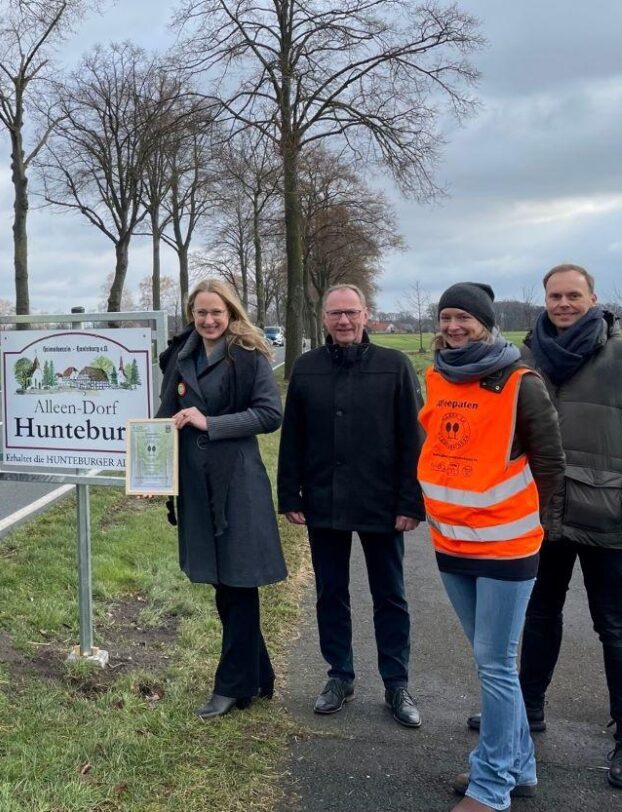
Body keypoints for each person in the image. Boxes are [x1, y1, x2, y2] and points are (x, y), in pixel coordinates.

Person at [470, 264, 622, 789]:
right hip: (538, 515)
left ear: (593, 298)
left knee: (614, 625)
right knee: (538, 616)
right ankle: (525, 713)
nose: (564, 304)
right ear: (544, 300)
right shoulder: (523, 358)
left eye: (574, 295)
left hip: (607, 516)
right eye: (556, 295)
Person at [419, 282, 564, 812]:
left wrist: (542, 532)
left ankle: (492, 785)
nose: (454, 326)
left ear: (486, 323)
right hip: (452, 542)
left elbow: (551, 465)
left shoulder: (521, 382)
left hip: (507, 547)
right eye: (447, 316)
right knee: (489, 663)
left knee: (496, 663)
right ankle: (518, 766)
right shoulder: (437, 375)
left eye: (465, 318)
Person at [277, 284, 426, 728]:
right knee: (330, 593)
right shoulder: (306, 369)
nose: (344, 321)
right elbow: (293, 440)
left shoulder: (395, 366)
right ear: (323, 318)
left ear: (366, 315)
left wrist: (410, 500)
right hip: (324, 500)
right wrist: (290, 494)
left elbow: (412, 440)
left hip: (382, 503)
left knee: (390, 596)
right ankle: (339, 675)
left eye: (351, 313)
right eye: (335, 314)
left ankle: (396, 682)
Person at [156, 278, 287, 719]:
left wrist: (211, 423)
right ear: (191, 314)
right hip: (195, 484)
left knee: (238, 581)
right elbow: (163, 416)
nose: (209, 320)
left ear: (231, 313)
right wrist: (149, 463)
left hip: (237, 484)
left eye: (217, 312)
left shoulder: (248, 355)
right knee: (221, 580)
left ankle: (231, 684)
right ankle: (258, 675)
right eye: (201, 312)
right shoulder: (181, 354)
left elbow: (270, 414)